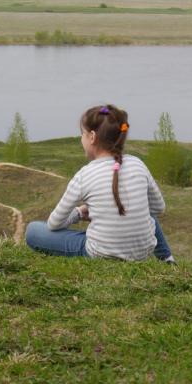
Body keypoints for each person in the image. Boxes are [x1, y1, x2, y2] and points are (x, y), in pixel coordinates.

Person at [25, 103, 177, 264]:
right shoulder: (137, 163)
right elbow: (159, 208)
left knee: (33, 231)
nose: (80, 139)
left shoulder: (84, 175)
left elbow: (54, 224)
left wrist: (79, 213)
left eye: (82, 134)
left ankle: (106, 246)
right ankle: (167, 259)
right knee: (148, 210)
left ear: (92, 137)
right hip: (141, 253)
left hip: (101, 254)